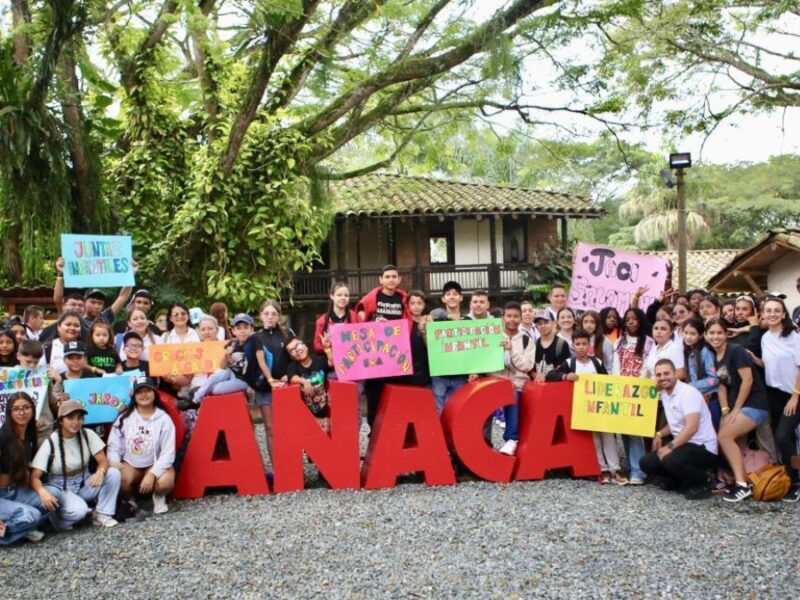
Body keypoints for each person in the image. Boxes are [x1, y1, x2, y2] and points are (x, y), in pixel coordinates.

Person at [705, 318, 771, 502]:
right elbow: (721, 385)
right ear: (706, 335)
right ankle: (741, 480)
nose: (716, 336)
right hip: (735, 405)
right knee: (723, 436)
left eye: (719, 332)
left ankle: (742, 485)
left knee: (724, 437)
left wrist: (736, 410)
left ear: (726, 334)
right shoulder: (714, 356)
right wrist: (726, 410)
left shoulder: (736, 351)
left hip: (755, 404)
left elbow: (748, 380)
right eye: (712, 333)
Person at [30, 400, 121, 528]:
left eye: (79, 418)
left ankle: (102, 514)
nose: (76, 422)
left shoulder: (88, 434)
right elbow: (34, 477)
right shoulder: (50, 442)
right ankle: (59, 519)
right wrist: (42, 492)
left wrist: (100, 472)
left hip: (84, 480)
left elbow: (103, 461)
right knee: (79, 511)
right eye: (70, 418)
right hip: (60, 486)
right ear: (61, 421)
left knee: (113, 473)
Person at [641, 359, 719, 499]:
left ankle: (704, 479)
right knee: (646, 462)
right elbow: (674, 423)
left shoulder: (688, 393)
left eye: (666, 373)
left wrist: (669, 447)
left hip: (702, 447)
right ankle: (679, 479)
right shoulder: (665, 394)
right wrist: (659, 434)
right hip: (683, 445)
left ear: (675, 373)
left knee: (670, 459)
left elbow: (692, 427)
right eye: (659, 375)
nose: (663, 378)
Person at [107, 377, 176, 514]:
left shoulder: (164, 419)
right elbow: (113, 445)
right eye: (139, 392)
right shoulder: (124, 418)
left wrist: (152, 473)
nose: (144, 395)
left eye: (147, 391)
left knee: (165, 482)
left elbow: (168, 453)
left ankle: (158, 496)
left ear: (154, 393)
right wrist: (114, 461)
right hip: (131, 464)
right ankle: (130, 501)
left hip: (154, 462)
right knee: (117, 477)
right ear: (134, 395)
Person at [0, 393, 62, 544]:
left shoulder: (29, 433)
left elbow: (28, 469)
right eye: (16, 409)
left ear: (33, 409)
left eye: (26, 408)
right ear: (9, 412)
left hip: (16, 490)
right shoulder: (2, 437)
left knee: (54, 495)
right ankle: (18, 528)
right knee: (31, 515)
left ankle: (22, 528)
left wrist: (41, 491)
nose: (22, 413)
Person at [755, 297, 800, 502]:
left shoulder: (794, 336)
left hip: (794, 394)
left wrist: (795, 396)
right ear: (763, 314)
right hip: (773, 393)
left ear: (783, 314)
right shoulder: (765, 337)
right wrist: (753, 359)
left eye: (776, 310)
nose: (772, 314)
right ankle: (790, 477)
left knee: (783, 436)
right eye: (768, 310)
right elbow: (769, 364)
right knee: (782, 438)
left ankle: (796, 480)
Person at [355, 266, 411, 429]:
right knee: (374, 396)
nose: (391, 279)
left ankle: (394, 432)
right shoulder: (372, 298)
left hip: (396, 356)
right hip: (375, 356)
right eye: (387, 276)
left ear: (399, 280)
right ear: (381, 279)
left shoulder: (404, 299)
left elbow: (409, 322)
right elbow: (360, 323)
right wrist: (372, 323)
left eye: (394, 276)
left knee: (395, 396)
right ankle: (373, 432)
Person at [613, 308, 654, 485]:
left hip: (638, 391)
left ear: (641, 321)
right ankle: (631, 466)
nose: (631, 322)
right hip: (622, 391)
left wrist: (639, 387)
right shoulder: (619, 342)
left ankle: (639, 472)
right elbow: (616, 366)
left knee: (635, 432)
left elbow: (647, 367)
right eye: (628, 319)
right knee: (624, 431)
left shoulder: (649, 342)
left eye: (635, 319)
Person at [183, 314, 254, 407]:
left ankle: (198, 396)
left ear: (217, 330)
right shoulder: (194, 349)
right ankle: (196, 398)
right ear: (199, 331)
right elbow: (187, 376)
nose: (207, 332)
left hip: (231, 384)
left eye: (210, 328)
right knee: (220, 374)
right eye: (203, 329)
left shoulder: (227, 345)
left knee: (219, 382)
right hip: (205, 385)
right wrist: (173, 379)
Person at [253, 300, 293, 470]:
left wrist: (289, 375)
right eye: (266, 313)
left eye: (274, 314)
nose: (270, 317)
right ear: (261, 315)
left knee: (288, 427)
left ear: (279, 316)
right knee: (270, 428)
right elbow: (255, 363)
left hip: (286, 387)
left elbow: (295, 357)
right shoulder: (255, 337)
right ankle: (278, 469)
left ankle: (291, 465)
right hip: (265, 388)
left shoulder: (287, 333)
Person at [493, 302, 535, 457]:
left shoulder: (527, 340)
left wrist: (512, 351)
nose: (512, 319)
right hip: (496, 382)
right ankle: (481, 440)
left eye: (516, 316)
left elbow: (527, 365)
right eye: (509, 316)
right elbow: (487, 363)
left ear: (521, 318)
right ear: (503, 318)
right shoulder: (494, 336)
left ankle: (511, 439)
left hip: (518, 384)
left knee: (513, 396)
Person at [430, 281, 470, 414]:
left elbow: (473, 351)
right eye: (448, 294)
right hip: (440, 374)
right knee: (439, 411)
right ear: (443, 298)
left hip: (460, 374)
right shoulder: (436, 320)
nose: (452, 297)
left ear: (461, 297)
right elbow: (432, 313)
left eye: (455, 294)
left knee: (457, 412)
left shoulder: (468, 322)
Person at [681, 319, 721, 430]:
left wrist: (691, 386)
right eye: (686, 333)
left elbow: (714, 379)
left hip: (711, 399)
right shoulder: (687, 350)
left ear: (701, 335)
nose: (688, 337)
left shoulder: (705, 351)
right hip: (697, 398)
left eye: (693, 334)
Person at [286, 337, 332, 430]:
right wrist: (304, 382)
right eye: (292, 350)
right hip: (306, 416)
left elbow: (331, 363)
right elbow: (292, 377)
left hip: (325, 412)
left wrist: (327, 348)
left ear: (305, 345)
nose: (297, 350)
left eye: (298, 345)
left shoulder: (320, 360)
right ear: (291, 356)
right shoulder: (293, 366)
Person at [314, 282, 356, 355]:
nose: (343, 298)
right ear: (332, 296)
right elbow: (316, 346)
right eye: (339, 295)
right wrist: (327, 346)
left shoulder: (355, 316)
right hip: (331, 359)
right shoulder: (322, 321)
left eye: (346, 295)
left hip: (353, 358)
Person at [531, 309, 571, 382]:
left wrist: (546, 376)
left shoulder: (562, 344)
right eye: (539, 323)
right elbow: (530, 368)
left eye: (546, 322)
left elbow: (565, 368)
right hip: (537, 385)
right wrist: (535, 374)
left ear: (553, 323)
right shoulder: (533, 344)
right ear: (536, 326)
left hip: (555, 385)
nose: (543, 326)